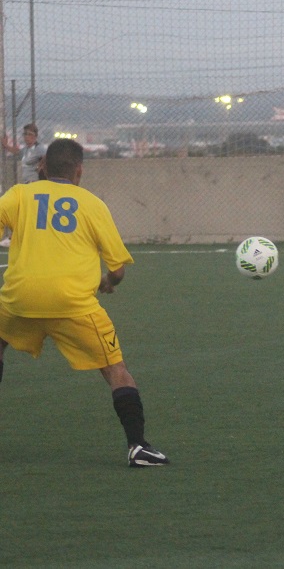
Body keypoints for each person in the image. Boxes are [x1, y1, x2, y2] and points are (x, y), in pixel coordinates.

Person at [0, 138, 169, 467]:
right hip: (72, 303)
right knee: (116, 369)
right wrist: (108, 283)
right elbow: (117, 270)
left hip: (19, 297)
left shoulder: (19, 194)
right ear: (79, 171)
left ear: (42, 167)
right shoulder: (92, 204)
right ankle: (138, 447)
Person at [0, 123, 48, 248]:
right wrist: (6, 145)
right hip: (26, 183)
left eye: (30, 134)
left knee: (22, 209)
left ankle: (12, 237)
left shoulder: (39, 148)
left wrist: (40, 166)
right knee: (27, 211)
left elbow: (46, 157)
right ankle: (20, 237)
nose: (27, 137)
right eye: (25, 134)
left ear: (35, 136)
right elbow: (17, 152)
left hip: (34, 183)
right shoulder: (26, 150)